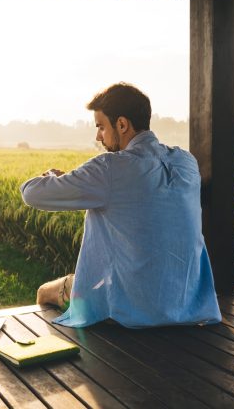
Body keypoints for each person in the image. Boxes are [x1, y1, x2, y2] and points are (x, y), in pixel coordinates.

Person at [19, 82, 222, 328]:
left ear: (122, 124)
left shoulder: (110, 168)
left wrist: (50, 175)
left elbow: (32, 194)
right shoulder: (186, 161)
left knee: (44, 291)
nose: (98, 137)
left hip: (132, 306)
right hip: (187, 305)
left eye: (101, 127)